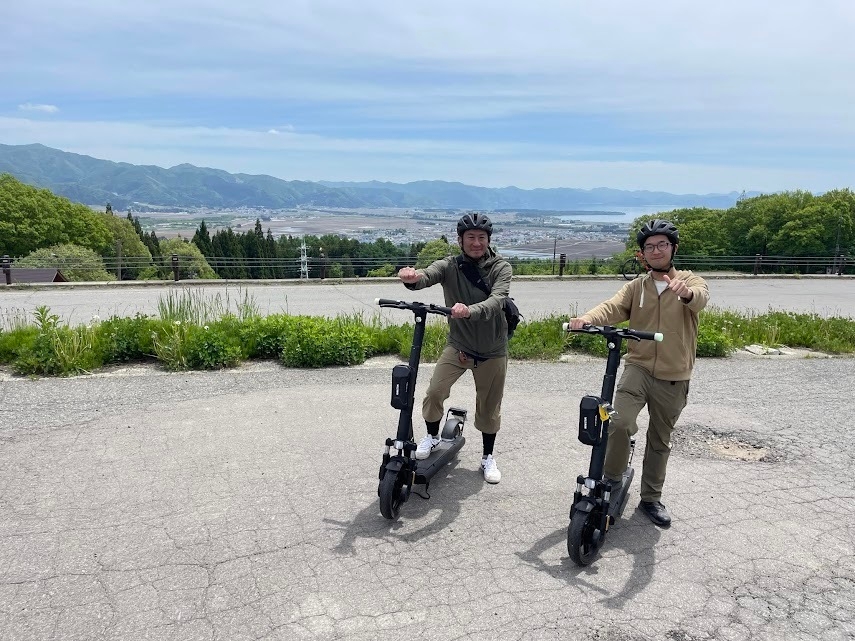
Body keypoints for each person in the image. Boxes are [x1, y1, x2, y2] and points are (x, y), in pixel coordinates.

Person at [569, 219, 709, 526]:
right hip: (638, 367)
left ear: (673, 248)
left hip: (675, 375)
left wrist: (685, 293)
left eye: (662, 245)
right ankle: (612, 478)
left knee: (660, 439)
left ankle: (651, 499)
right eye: (650, 246)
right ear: (641, 253)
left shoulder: (690, 280)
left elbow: (699, 299)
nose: (656, 250)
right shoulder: (637, 287)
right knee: (618, 423)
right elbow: (612, 307)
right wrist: (586, 318)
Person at [397, 213, 512, 484]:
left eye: (481, 238)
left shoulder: (501, 267)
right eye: (470, 237)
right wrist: (411, 277)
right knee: (435, 391)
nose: (476, 243)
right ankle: (433, 437)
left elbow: (497, 300)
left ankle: (487, 457)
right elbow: (427, 276)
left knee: (489, 407)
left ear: (488, 241)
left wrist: (468, 310)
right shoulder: (450, 265)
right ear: (460, 240)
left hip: (492, 350)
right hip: (459, 346)